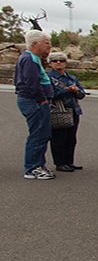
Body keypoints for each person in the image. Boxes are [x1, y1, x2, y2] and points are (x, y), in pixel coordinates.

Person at [14, 29, 55, 180]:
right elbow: (32, 82)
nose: (49, 46)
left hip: (36, 101)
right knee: (38, 134)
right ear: (35, 43)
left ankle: (39, 164)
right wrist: (42, 99)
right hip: (34, 102)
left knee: (43, 134)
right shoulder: (29, 59)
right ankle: (32, 168)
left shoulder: (33, 58)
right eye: (46, 43)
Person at [48, 52, 86, 172]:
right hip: (58, 111)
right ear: (50, 63)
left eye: (61, 60)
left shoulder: (72, 78)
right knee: (59, 138)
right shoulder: (49, 78)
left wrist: (75, 91)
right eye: (55, 61)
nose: (58, 63)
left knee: (71, 138)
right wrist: (66, 91)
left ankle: (69, 162)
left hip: (73, 110)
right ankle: (60, 163)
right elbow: (50, 95)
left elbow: (82, 94)